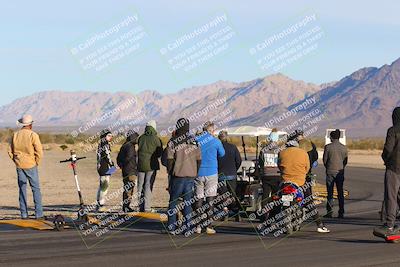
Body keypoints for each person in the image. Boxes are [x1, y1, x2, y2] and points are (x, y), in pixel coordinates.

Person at [278, 138, 329, 233]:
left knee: (277, 199)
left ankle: (270, 223)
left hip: (285, 181)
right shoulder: (303, 153)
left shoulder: (281, 152)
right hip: (300, 181)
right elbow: (307, 167)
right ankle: (319, 224)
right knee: (309, 202)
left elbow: (279, 165)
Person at [166, 118, 201, 235]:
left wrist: (171, 172)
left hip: (178, 176)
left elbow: (169, 160)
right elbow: (199, 160)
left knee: (173, 202)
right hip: (191, 176)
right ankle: (188, 227)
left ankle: (172, 227)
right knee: (188, 203)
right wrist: (195, 172)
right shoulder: (194, 141)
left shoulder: (173, 141)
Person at [8, 115, 44, 219]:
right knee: (36, 189)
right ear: (30, 124)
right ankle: (39, 214)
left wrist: (16, 160)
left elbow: (9, 151)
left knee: (22, 189)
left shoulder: (15, 135)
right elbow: (39, 152)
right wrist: (36, 162)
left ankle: (24, 214)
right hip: (31, 165)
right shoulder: (33, 135)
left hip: (19, 165)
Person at [194, 121, 225, 234]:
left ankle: (197, 225)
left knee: (199, 199)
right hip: (211, 172)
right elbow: (222, 154)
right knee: (210, 200)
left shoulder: (197, 140)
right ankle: (208, 226)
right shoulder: (216, 141)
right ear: (211, 131)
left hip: (198, 173)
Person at [296, 130, 330, 232]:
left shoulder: (293, 146)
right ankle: (319, 224)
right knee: (308, 199)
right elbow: (315, 158)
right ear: (303, 135)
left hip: (292, 176)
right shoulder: (311, 144)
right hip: (306, 175)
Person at [377, 107, 400, 235]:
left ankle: (390, 225)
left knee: (391, 196)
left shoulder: (392, 130)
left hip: (394, 168)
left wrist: (385, 159)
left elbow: (388, 149)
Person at [137, 120, 163, 212]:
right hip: (152, 166)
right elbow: (160, 153)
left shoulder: (141, 138)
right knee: (148, 185)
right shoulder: (156, 139)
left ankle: (140, 206)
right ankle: (147, 207)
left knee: (140, 185)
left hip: (140, 165)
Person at [323, 129, 348, 218]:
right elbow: (345, 161)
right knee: (340, 192)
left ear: (332, 137)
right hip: (340, 172)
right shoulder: (344, 147)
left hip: (330, 171)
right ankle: (341, 212)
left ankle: (329, 212)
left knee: (330, 192)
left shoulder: (328, 147)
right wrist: (341, 168)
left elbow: (325, 160)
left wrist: (328, 167)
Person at [217, 130, 242, 220]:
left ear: (219, 138)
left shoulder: (217, 148)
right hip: (232, 175)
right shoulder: (233, 147)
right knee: (232, 195)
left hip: (220, 175)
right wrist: (235, 169)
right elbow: (239, 160)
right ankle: (236, 211)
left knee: (223, 195)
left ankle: (225, 211)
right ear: (227, 137)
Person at [258, 130, 282, 223]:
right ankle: (275, 214)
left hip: (266, 175)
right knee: (276, 195)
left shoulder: (263, 150)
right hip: (277, 175)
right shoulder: (280, 150)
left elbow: (260, 163)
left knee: (265, 195)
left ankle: (264, 214)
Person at [117, 130, 139, 212]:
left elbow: (118, 158)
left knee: (127, 188)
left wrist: (122, 165)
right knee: (129, 189)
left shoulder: (124, 145)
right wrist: (132, 166)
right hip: (130, 171)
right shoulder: (130, 146)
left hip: (125, 171)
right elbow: (129, 158)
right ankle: (126, 207)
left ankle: (125, 206)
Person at [96, 129, 116, 210]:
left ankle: (99, 201)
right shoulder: (105, 145)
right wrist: (112, 164)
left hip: (102, 167)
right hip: (104, 168)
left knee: (102, 185)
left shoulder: (102, 144)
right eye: (108, 135)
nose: (110, 137)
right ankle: (101, 202)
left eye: (111, 135)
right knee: (105, 185)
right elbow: (107, 156)